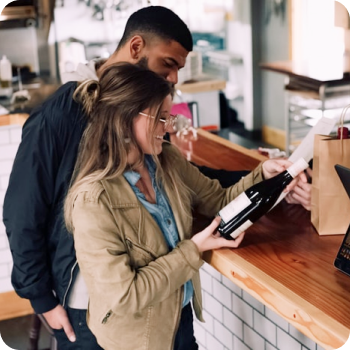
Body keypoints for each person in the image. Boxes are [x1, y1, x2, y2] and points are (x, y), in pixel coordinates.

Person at [2, 5, 311, 349]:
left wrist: (265, 178)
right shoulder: (63, 119)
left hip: (167, 305)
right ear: (136, 48)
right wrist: (41, 298)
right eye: (169, 64)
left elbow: (200, 185)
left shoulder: (156, 154)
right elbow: (22, 211)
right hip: (92, 306)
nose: (175, 78)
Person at [64, 62, 303, 350]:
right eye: (161, 117)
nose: (168, 127)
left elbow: (219, 200)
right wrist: (193, 250)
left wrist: (263, 176)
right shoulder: (93, 201)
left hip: (179, 317)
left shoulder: (166, 160)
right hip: (138, 340)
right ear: (125, 118)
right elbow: (125, 296)